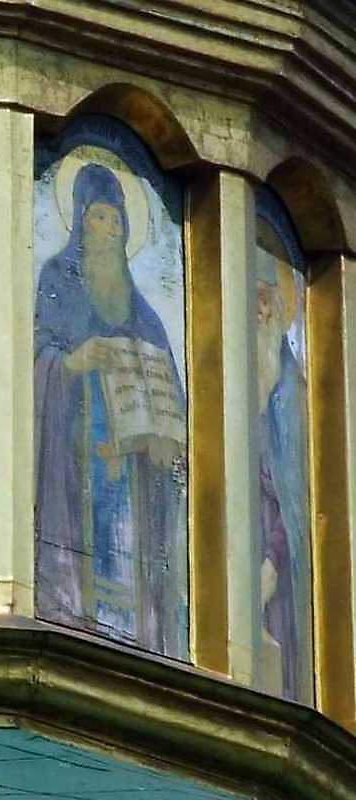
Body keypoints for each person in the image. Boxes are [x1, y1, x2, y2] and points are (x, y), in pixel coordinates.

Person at [35, 162, 187, 656]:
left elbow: (171, 401)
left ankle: (134, 641)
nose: (108, 230)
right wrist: (70, 363)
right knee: (83, 559)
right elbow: (33, 354)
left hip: (131, 478)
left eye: (116, 221)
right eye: (98, 217)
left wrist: (167, 438)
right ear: (79, 220)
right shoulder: (57, 280)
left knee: (126, 560)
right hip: (76, 456)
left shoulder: (143, 313)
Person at [256, 223, 312, 702]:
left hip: (277, 561)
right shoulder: (230, 380)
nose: (258, 309)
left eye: (266, 298)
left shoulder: (294, 396)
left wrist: (272, 563)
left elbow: (297, 495)